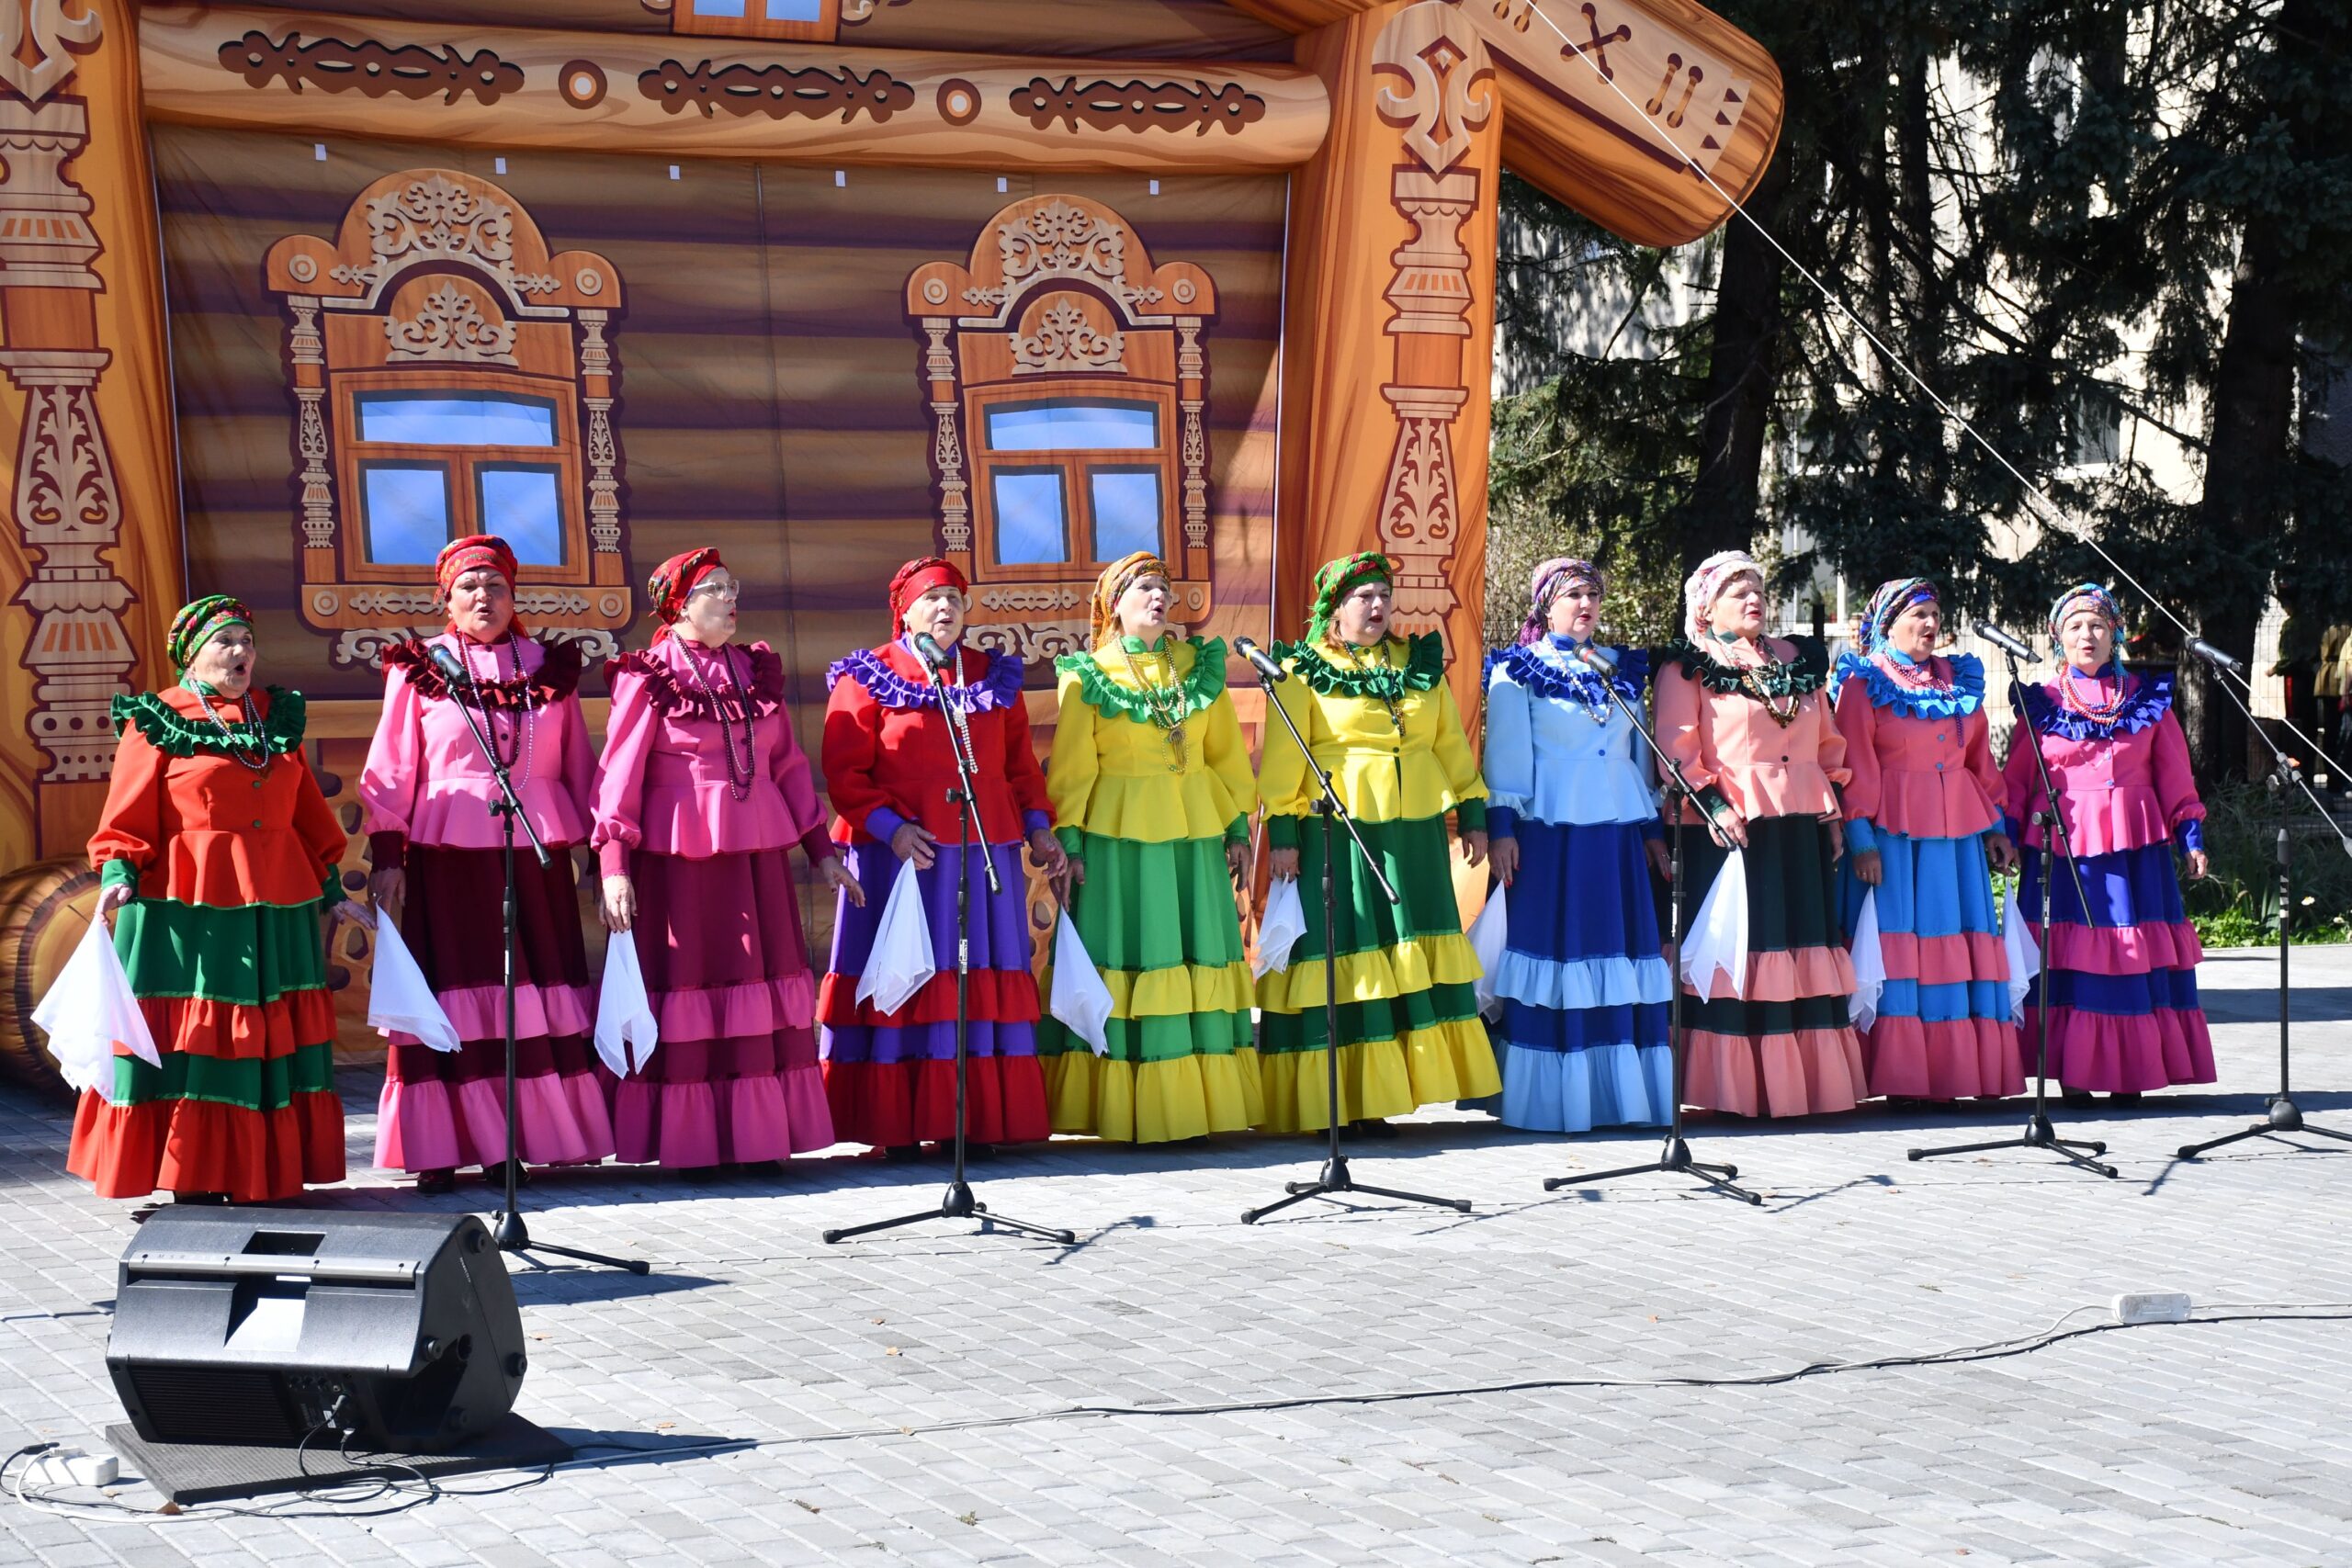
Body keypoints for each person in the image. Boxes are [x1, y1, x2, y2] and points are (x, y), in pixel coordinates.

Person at [72, 597, 361, 1204]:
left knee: (266, 1030)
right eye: (224, 641)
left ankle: (265, 1167)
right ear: (192, 655)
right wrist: (119, 870)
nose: (240, 652)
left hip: (275, 904)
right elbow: (125, 812)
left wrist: (332, 886)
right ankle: (193, 1172)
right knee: (198, 1030)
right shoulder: (158, 718)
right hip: (187, 905)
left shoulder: (274, 718)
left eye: (246, 641)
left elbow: (307, 814)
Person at [592, 548, 862, 1170]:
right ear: (679, 605)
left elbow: (787, 766)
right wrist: (613, 866)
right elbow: (618, 777)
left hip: (754, 863)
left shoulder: (753, 669)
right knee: (689, 985)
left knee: (754, 983)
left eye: (732, 585)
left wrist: (822, 852)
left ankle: (756, 1137)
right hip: (679, 863)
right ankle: (691, 1142)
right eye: (715, 588)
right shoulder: (649, 674)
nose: (730, 597)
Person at [361, 535, 614, 1192]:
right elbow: (392, 766)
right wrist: (387, 854)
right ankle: (442, 1144)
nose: (484, 598)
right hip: (449, 857)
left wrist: (601, 853)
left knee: (530, 991)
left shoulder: (548, 668)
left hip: (535, 853)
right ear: (446, 599)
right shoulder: (422, 667)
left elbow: (578, 765)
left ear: (513, 596)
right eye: (469, 588)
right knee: (456, 990)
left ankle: (517, 1144)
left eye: (495, 586)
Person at [818, 557, 1068, 1153]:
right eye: (931, 598)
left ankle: (976, 1120)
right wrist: (891, 829)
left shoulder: (990, 676)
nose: (945, 607)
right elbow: (844, 772)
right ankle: (898, 1125)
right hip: (900, 858)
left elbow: (1019, 768)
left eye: (955, 597)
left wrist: (1038, 829)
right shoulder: (871, 673)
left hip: (981, 854)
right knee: (906, 975)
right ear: (904, 610)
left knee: (974, 977)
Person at [1256, 552, 1499, 1134]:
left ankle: (1381, 1094)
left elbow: (1449, 742)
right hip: (1339, 829)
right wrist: (1284, 831)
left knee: (1403, 950)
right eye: (1363, 597)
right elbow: (1286, 757)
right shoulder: (1302, 668)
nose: (1377, 606)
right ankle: (1334, 1102)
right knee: (1350, 950)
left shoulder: (1417, 663)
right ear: (1334, 608)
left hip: (1413, 831)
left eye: (1384, 596)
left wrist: (1472, 810)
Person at [1037, 552, 1260, 1142]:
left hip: (1194, 837)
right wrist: (1070, 845)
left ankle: (1200, 1105)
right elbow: (1073, 770)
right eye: (1145, 587)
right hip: (1119, 845)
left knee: (1196, 955)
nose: (1160, 596)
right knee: (1130, 954)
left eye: (1164, 587)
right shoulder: (1089, 674)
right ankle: (1123, 1106)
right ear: (1115, 604)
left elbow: (1224, 757)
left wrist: (1238, 828)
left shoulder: (1199, 666)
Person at [1654, 550, 1865, 1118]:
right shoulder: (1687, 664)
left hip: (1799, 823)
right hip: (1729, 827)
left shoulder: (1795, 658)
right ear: (1706, 607)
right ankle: (1732, 1089)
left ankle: (1802, 1086)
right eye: (1738, 591)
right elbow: (1676, 750)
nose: (1754, 599)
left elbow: (1827, 739)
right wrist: (1713, 806)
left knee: (1798, 946)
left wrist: (1832, 813)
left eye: (1758, 590)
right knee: (1743, 950)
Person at [1479, 558, 1675, 1132]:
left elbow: (1639, 759)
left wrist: (1652, 833)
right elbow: (1505, 758)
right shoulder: (1517, 670)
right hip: (1551, 836)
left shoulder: (1619, 669)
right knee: (1557, 952)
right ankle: (1551, 1100)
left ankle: (1619, 1097)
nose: (1586, 604)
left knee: (1616, 952)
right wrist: (1502, 829)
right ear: (1546, 606)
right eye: (1572, 595)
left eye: (1592, 594)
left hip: (1616, 838)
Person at [2003, 583, 2212, 1103]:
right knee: (2071, 957)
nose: (2087, 635)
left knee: (2126, 955)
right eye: (2075, 627)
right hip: (2064, 850)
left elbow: (2175, 777)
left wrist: (2190, 836)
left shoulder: (2147, 700)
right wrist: (2005, 837)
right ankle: (2072, 1073)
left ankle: (2130, 1072)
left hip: (2133, 855)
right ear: (2058, 638)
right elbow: (2016, 781)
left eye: (2097, 625)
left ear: (2114, 633)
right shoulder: (2041, 703)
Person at [1831, 579, 2023, 1101]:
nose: (1931, 623)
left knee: (1955, 941)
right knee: (1899, 946)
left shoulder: (1958, 678)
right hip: (1892, 838)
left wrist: (1997, 827)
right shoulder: (1864, 681)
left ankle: (1957, 1073)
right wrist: (1860, 837)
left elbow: (1980, 760)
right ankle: (1904, 1077)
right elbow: (1852, 765)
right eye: (1918, 614)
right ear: (1888, 624)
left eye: (1935, 613)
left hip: (1957, 840)